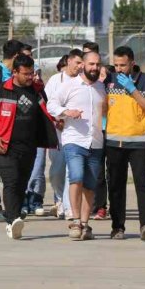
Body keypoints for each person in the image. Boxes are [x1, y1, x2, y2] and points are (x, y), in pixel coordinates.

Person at [0, 54, 59, 240]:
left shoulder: (37, 90)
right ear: (14, 72)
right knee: (11, 182)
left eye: (32, 73)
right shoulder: (2, 89)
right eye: (26, 74)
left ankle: (14, 217)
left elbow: (46, 111)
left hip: (29, 147)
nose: (30, 77)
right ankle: (12, 220)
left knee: (21, 184)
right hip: (5, 146)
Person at [47, 50, 108, 240]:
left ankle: (84, 223)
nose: (95, 68)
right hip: (74, 140)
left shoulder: (101, 88)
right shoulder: (70, 85)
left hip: (95, 142)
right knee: (76, 176)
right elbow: (51, 104)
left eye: (97, 64)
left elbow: (106, 112)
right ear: (83, 65)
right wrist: (66, 112)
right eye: (91, 64)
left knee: (90, 185)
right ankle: (74, 220)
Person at [105, 46, 145, 241]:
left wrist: (132, 89)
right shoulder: (108, 79)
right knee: (115, 185)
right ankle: (117, 227)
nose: (119, 69)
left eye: (123, 65)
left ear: (132, 63)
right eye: (116, 65)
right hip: (114, 141)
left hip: (139, 142)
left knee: (142, 183)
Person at [0, 39, 25, 221]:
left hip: (11, 131)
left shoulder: (15, 74)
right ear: (16, 56)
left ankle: (13, 208)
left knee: (13, 174)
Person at [45, 50, 83, 219]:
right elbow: (47, 104)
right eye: (77, 63)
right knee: (56, 171)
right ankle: (60, 198)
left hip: (75, 133)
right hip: (57, 131)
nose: (80, 67)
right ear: (69, 61)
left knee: (71, 171)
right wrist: (57, 119)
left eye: (82, 63)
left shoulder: (83, 81)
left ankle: (69, 208)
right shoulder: (55, 80)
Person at [83, 41, 111, 220]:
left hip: (108, 129)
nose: (94, 68)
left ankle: (102, 206)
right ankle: (95, 206)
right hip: (93, 131)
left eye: (97, 64)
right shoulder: (84, 82)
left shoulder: (107, 80)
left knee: (106, 171)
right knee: (95, 171)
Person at [20, 43, 48, 217]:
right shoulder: (12, 84)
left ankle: (36, 200)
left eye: (30, 55)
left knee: (38, 168)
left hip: (37, 133)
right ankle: (22, 201)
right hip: (20, 135)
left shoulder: (36, 80)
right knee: (22, 170)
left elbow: (45, 104)